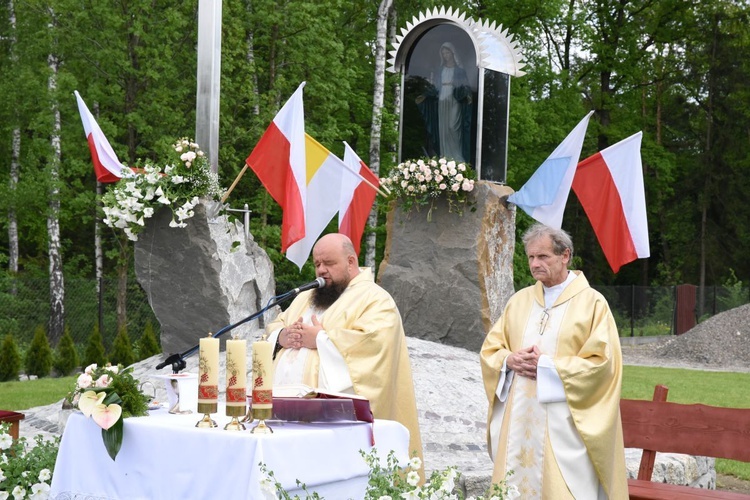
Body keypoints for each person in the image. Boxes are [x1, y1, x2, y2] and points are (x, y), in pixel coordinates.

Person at [480, 224, 628, 499]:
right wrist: (509, 360)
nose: (535, 264)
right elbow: (491, 350)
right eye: (531, 257)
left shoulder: (592, 304)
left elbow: (602, 366)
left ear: (565, 256)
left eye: (543, 257)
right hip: (519, 422)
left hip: (564, 425)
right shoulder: (520, 301)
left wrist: (548, 366)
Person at [266, 233, 424, 471]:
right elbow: (276, 325)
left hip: (333, 422)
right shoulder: (305, 297)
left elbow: (374, 346)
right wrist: (281, 336)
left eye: (329, 263)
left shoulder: (375, 299)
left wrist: (319, 339)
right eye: (317, 264)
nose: (321, 270)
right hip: (284, 415)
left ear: (351, 262)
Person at [415, 41, 473, 162]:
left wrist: (467, 95)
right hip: (442, 99)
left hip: (454, 98)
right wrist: (425, 96)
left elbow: (465, 85)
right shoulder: (439, 70)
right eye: (443, 53)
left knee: (453, 127)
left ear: (453, 53)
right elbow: (434, 86)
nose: (446, 55)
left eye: (448, 52)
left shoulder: (460, 71)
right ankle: (445, 157)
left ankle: (457, 158)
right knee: (444, 129)